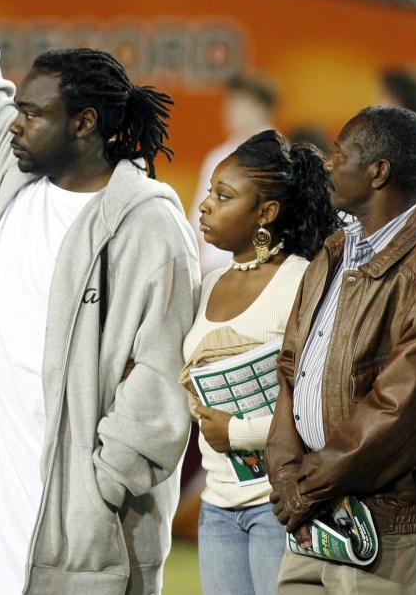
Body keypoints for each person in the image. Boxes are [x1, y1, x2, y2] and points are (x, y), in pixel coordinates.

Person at [0, 0, 201, 594]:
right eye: (17, 110)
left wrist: (105, 481)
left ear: (84, 124)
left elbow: (165, 374)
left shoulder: (149, 226)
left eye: (33, 113)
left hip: (87, 530)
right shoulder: (9, 178)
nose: (15, 124)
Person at [266, 106, 416, 593]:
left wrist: (302, 488)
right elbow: (292, 369)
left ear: (378, 172)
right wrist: (288, 476)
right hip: (317, 519)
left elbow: (397, 417)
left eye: (339, 154)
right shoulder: (335, 248)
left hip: (391, 526)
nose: (327, 165)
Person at [182, 129, 339, 595]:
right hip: (217, 508)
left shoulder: (302, 282)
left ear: (265, 213)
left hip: (282, 508)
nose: (205, 205)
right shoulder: (208, 285)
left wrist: (237, 432)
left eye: (224, 196)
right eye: (210, 191)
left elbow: (323, 407)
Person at [189, 72, 277, 275]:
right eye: (230, 103)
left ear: (263, 109)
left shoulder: (281, 157)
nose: (232, 110)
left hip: (259, 271)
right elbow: (197, 221)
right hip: (211, 271)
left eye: (241, 104)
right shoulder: (216, 157)